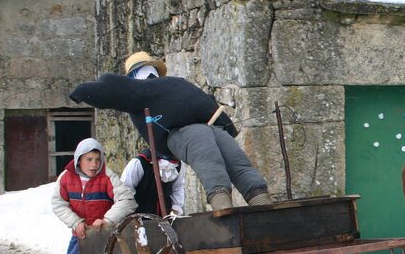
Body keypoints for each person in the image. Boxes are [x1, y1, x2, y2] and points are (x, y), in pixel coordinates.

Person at [69, 51, 270, 211]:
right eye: (145, 70)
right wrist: (81, 92)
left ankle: (260, 198)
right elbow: (108, 87)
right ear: (133, 76)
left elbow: (205, 102)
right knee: (205, 153)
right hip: (179, 132)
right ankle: (222, 203)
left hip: (208, 127)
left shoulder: (173, 84)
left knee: (233, 155)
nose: (149, 74)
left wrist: (225, 126)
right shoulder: (138, 90)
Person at [51, 138, 136, 254]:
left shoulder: (106, 176)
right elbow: (58, 203)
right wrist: (76, 222)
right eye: (89, 159)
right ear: (79, 159)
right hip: (80, 233)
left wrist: (106, 220)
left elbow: (127, 200)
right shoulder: (66, 177)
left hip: (100, 235)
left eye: (97, 159)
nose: (94, 164)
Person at [121, 148, 185, 216]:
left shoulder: (178, 165)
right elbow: (125, 190)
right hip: (140, 212)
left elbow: (177, 187)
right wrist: (131, 216)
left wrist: (175, 209)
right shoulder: (140, 163)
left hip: (166, 212)